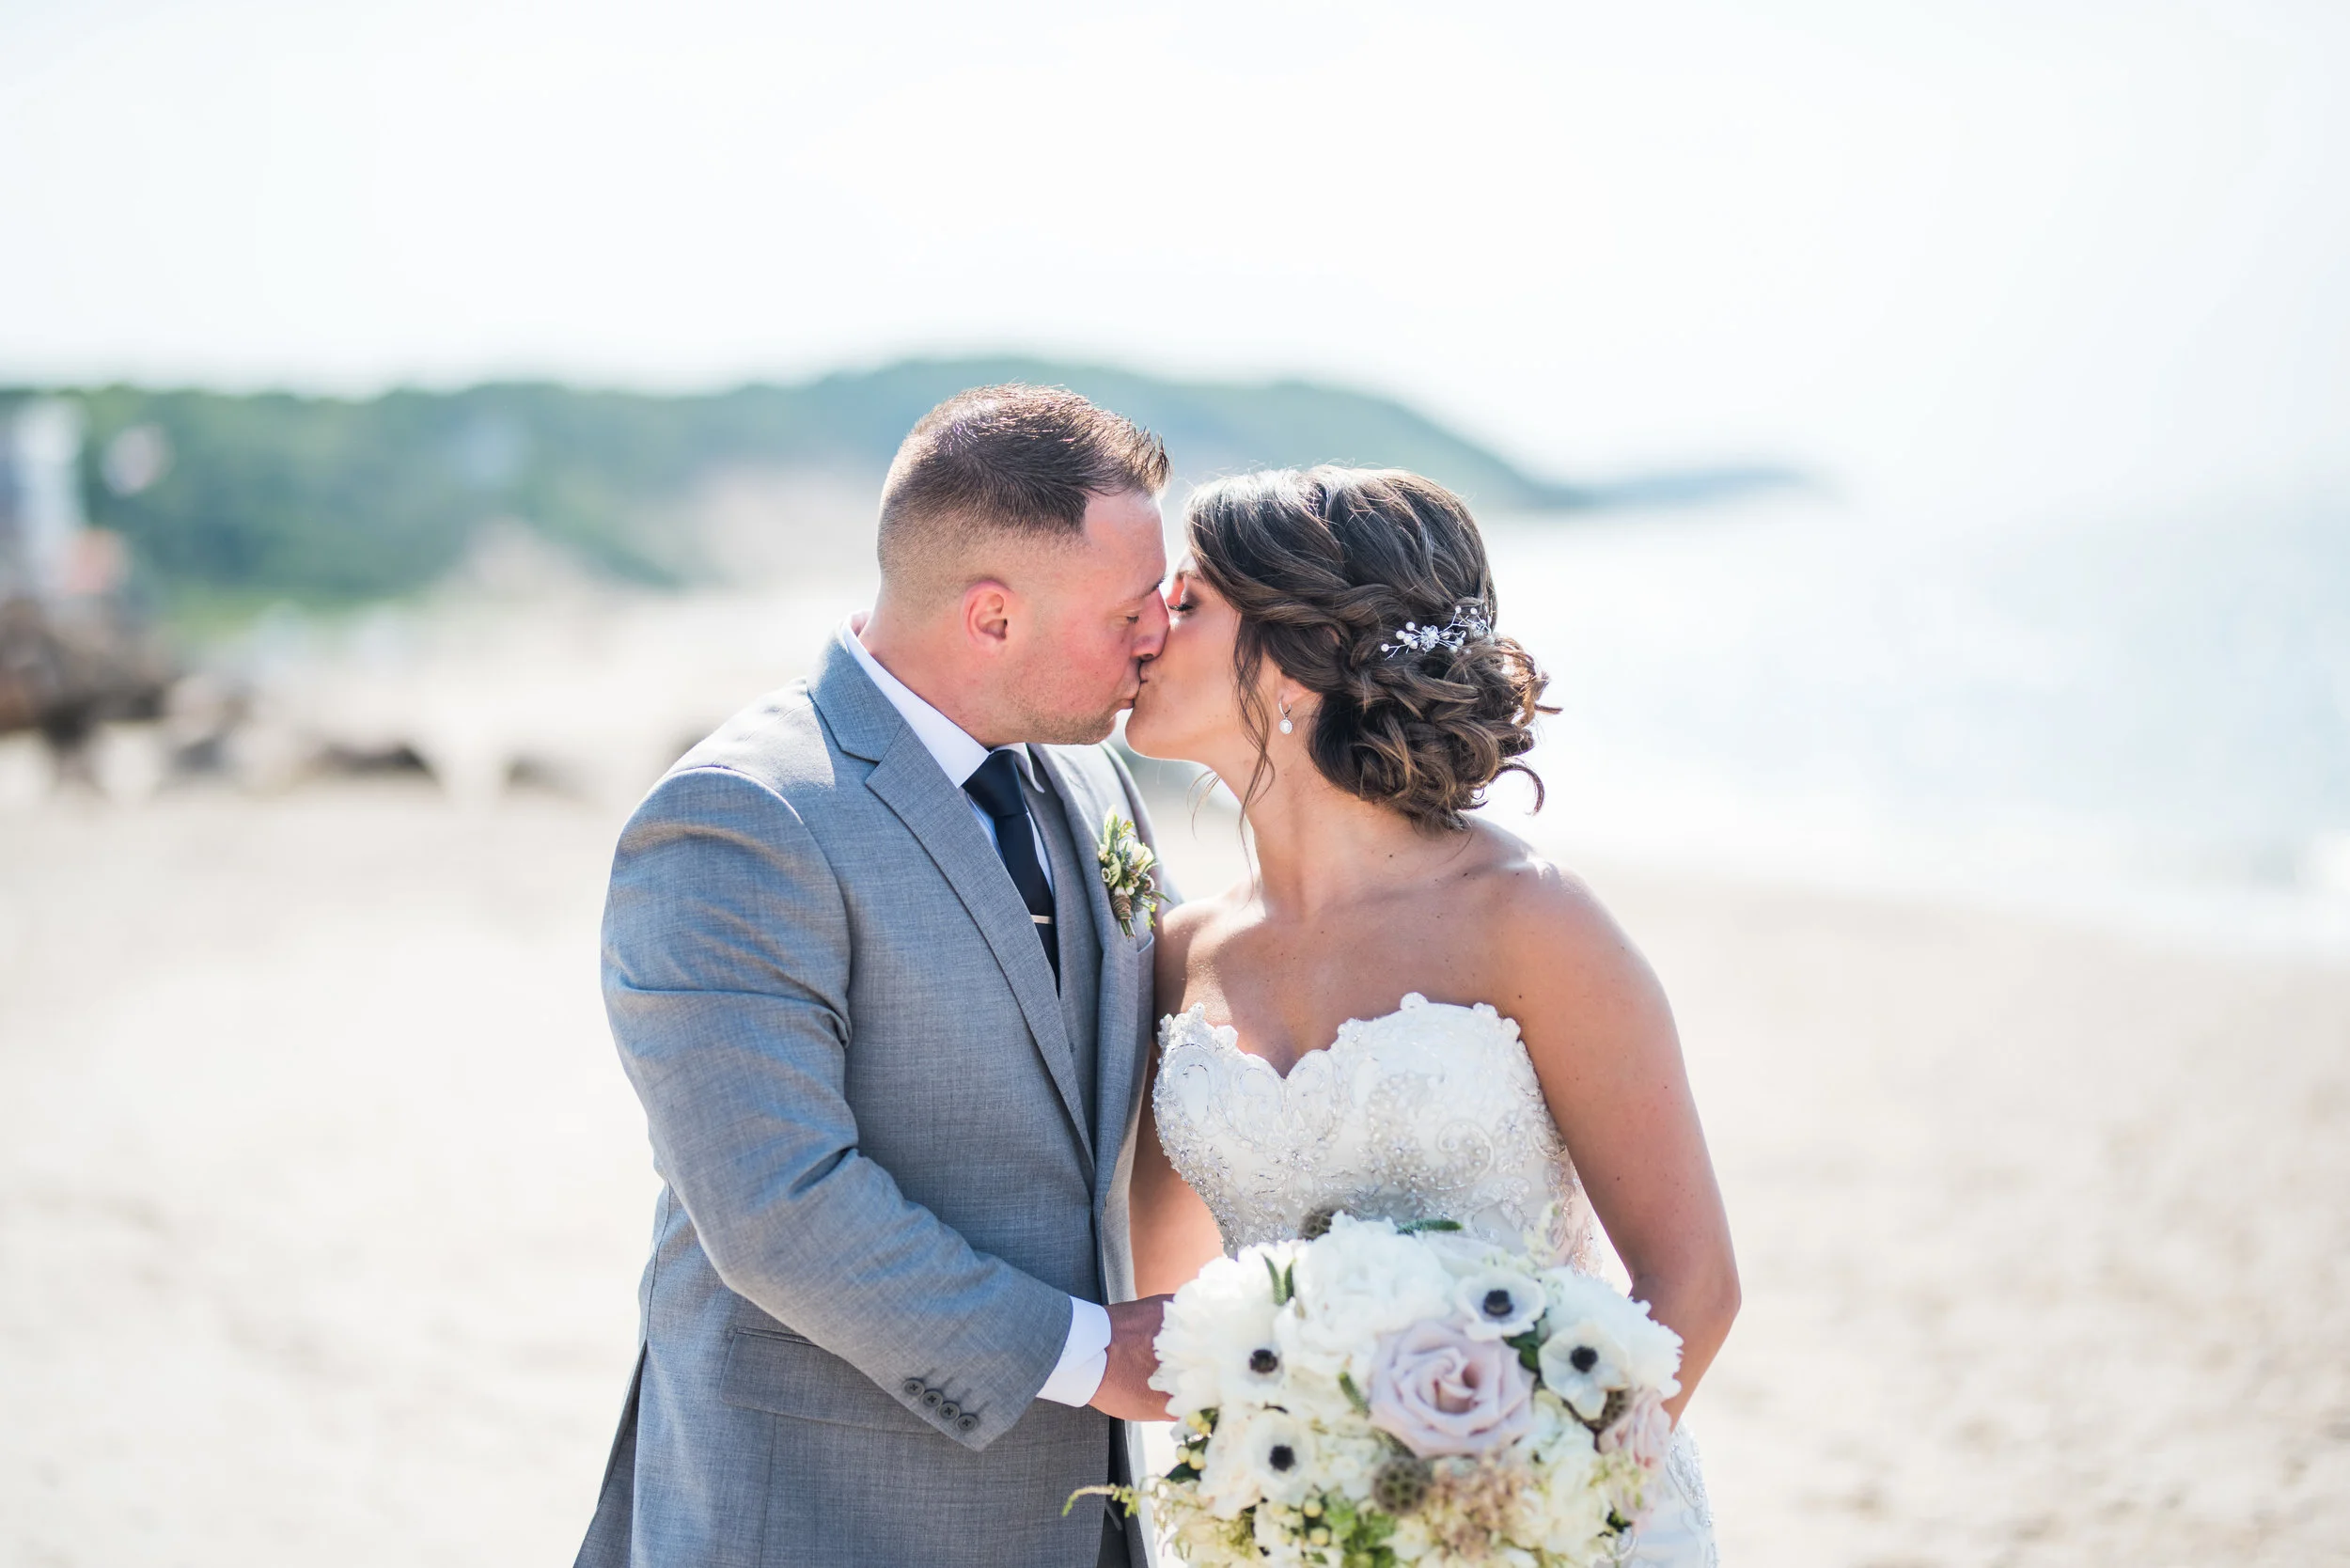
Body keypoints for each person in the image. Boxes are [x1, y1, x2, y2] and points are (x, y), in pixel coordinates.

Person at [572, 384, 1181, 1568]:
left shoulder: (1092, 780)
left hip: (1085, 1518)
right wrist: (1093, 1355)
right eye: (1128, 610)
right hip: (823, 1510)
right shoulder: (739, 817)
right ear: (992, 617)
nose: (1157, 634)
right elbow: (777, 1208)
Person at [1122, 466, 1740, 1566]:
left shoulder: (1525, 920)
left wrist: (1512, 1518)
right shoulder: (1182, 955)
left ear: (1298, 659)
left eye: (1188, 600)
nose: (1146, 626)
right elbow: (1171, 1309)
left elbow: (1693, 1284)